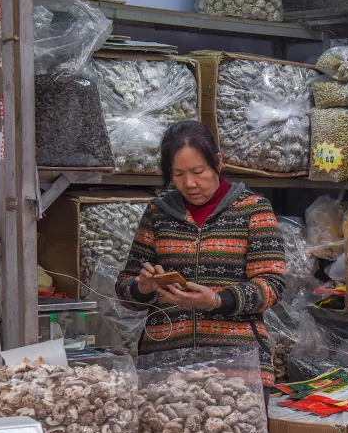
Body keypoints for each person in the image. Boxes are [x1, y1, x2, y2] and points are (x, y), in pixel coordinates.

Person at [116, 121, 287, 389]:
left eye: (198, 171)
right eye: (178, 174)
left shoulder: (253, 210)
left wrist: (218, 300)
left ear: (217, 162)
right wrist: (142, 287)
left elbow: (272, 285)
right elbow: (125, 285)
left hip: (237, 367)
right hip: (166, 366)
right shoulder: (158, 213)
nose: (190, 183)